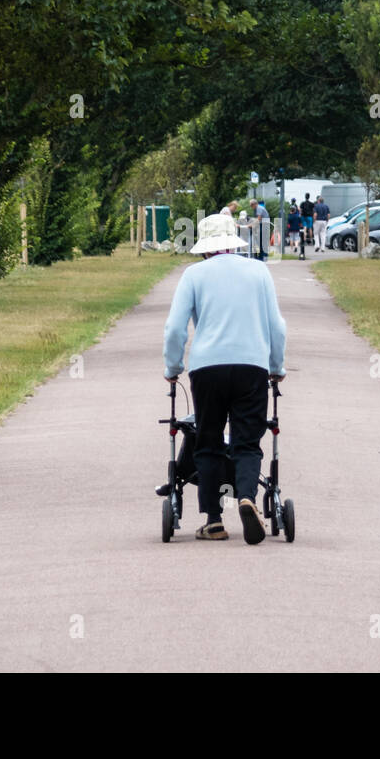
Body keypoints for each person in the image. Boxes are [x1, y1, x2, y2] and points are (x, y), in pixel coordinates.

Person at [164, 212, 286, 544]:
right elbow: (277, 327)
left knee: (209, 440)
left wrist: (172, 368)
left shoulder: (193, 275)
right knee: (247, 440)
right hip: (252, 365)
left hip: (207, 368)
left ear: (204, 247)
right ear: (234, 241)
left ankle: (214, 519)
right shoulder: (258, 271)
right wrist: (277, 367)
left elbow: (175, 329)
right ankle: (246, 497)